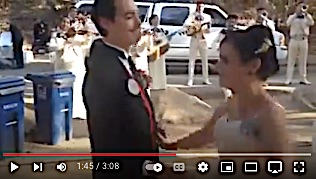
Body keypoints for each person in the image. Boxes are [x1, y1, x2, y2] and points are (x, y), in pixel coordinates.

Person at [159, 25, 294, 178]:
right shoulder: (227, 107)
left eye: (225, 61)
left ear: (253, 66)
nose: (217, 67)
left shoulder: (270, 115)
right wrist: (167, 146)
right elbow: (203, 136)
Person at [83, 0, 162, 178]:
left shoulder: (119, 58)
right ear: (105, 22)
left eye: (137, 15)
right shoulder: (105, 71)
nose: (138, 23)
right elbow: (109, 140)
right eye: (128, 16)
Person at [285, 2, 314, 85]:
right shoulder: (292, 17)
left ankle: (303, 78)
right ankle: (288, 79)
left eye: (303, 7)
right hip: (294, 39)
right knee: (291, 60)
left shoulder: (307, 17)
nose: (301, 8)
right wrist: (295, 15)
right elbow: (287, 23)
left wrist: (306, 14)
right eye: (300, 7)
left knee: (303, 60)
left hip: (303, 39)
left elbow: (311, 23)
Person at [185, 2, 211, 86]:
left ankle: (205, 79)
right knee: (192, 60)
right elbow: (186, 25)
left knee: (204, 60)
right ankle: (190, 80)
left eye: (202, 6)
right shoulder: (192, 16)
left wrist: (204, 28)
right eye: (199, 6)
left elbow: (209, 28)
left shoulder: (207, 17)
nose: (200, 8)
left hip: (203, 39)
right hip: (194, 38)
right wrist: (194, 26)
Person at [148, 14, 167, 90]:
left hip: (160, 51)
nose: (157, 21)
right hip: (153, 51)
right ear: (151, 20)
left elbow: (164, 38)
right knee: (153, 68)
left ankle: (161, 84)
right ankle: (154, 84)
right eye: (155, 19)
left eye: (157, 19)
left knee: (160, 68)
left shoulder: (161, 29)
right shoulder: (149, 30)